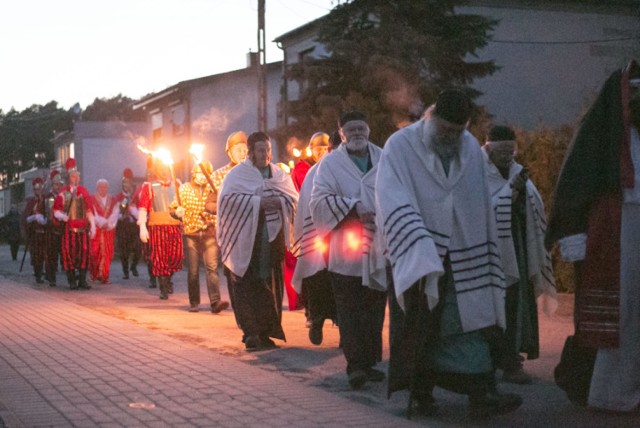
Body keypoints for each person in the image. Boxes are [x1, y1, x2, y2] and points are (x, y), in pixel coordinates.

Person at [375, 89, 521, 420]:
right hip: (417, 253)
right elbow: (390, 195)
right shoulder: (401, 146)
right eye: (446, 130)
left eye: (458, 131)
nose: (452, 137)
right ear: (431, 118)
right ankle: (422, 393)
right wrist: (418, 240)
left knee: (471, 320)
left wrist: (479, 239)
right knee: (420, 327)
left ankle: (481, 394)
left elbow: (476, 198)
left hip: (462, 253)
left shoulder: (469, 146)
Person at [545, 60, 640, 411]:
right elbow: (578, 183)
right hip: (614, 230)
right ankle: (603, 390)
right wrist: (574, 234)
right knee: (618, 312)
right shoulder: (603, 134)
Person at [310, 112, 387, 389]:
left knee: (374, 308)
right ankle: (355, 365)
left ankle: (369, 362)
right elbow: (319, 202)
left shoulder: (383, 158)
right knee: (351, 308)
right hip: (346, 249)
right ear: (341, 134)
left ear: (368, 130)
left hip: (378, 245)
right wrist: (353, 207)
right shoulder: (330, 164)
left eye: (361, 128)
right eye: (350, 129)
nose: (357, 134)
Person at [483, 125, 557, 384]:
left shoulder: (518, 172)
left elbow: (534, 207)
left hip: (519, 251)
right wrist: (510, 193)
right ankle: (488, 362)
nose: (506, 155)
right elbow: (482, 208)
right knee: (493, 307)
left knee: (517, 306)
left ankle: (512, 361)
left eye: (510, 150)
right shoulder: (479, 172)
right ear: (488, 148)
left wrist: (521, 196)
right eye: (500, 150)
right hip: (489, 254)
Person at [217, 131, 298, 351]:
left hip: (272, 240)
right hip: (245, 238)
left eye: (269, 150)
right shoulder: (237, 175)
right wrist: (258, 203)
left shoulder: (279, 175)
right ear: (251, 153)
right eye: (261, 150)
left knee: (271, 284)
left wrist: (279, 201)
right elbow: (226, 201)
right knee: (247, 284)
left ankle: (267, 331)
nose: (266, 154)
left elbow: (292, 198)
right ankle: (251, 332)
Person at [291, 132, 338, 345]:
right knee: (318, 279)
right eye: (320, 149)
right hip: (318, 235)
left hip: (343, 238)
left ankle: (346, 331)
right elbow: (304, 203)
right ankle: (316, 317)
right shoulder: (310, 171)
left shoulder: (348, 168)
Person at [171, 161, 229, 314]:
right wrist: (177, 212)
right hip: (191, 234)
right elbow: (173, 208)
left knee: (212, 267)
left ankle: (215, 301)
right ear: (193, 174)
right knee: (194, 270)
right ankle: (194, 302)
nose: (202, 177)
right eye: (199, 174)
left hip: (209, 232)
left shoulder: (214, 189)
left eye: (205, 174)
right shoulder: (184, 189)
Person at [137, 155, 184, 300]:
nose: (163, 171)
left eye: (165, 168)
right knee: (160, 258)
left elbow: (184, 203)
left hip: (174, 226)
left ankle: (168, 278)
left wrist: (183, 213)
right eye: (161, 168)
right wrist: (142, 227)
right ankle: (163, 287)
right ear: (157, 170)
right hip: (157, 227)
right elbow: (143, 207)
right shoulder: (149, 186)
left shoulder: (177, 184)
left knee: (176, 257)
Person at [53, 158, 96, 290]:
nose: (75, 178)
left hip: (82, 229)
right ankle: (72, 280)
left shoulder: (84, 191)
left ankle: (82, 280)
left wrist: (93, 225)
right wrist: (61, 216)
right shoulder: (63, 192)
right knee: (69, 254)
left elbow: (89, 210)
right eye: (72, 176)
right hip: (69, 229)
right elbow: (56, 210)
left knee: (84, 253)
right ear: (69, 177)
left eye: (76, 175)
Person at [89, 179, 119, 284]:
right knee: (94, 252)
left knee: (108, 252)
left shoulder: (113, 199)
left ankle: (105, 275)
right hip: (97, 229)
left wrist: (109, 224)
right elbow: (92, 213)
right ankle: (94, 274)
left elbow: (116, 213)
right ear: (97, 188)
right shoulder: (92, 199)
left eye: (105, 187)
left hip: (108, 230)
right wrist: (102, 222)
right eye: (101, 187)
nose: (103, 189)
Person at [115, 168, 140, 280]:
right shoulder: (119, 197)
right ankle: (125, 272)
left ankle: (134, 266)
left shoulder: (135, 197)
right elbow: (115, 213)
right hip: (123, 226)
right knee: (124, 250)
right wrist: (121, 216)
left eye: (129, 184)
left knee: (138, 248)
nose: (127, 186)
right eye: (125, 184)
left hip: (134, 225)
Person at [22, 177, 48, 284]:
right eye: (36, 189)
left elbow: (49, 212)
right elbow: (25, 217)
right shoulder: (31, 202)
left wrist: (45, 219)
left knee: (45, 254)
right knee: (36, 255)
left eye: (40, 188)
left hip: (45, 232)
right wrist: (32, 217)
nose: (38, 191)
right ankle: (38, 274)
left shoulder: (46, 200)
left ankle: (46, 273)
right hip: (35, 233)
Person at [44, 170, 65, 286]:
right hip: (52, 229)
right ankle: (51, 277)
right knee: (52, 254)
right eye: (56, 184)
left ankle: (68, 272)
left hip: (62, 228)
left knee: (64, 252)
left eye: (60, 184)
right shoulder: (49, 197)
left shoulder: (63, 196)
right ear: (52, 185)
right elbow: (48, 212)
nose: (58, 187)